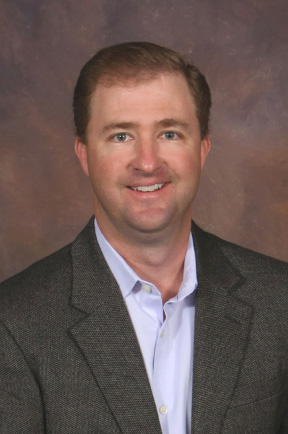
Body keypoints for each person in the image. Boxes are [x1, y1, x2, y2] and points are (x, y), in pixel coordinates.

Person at [0, 42, 287, 434]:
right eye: (121, 136)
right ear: (84, 154)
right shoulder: (13, 324)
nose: (148, 162)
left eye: (169, 133)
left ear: (202, 148)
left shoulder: (279, 301)